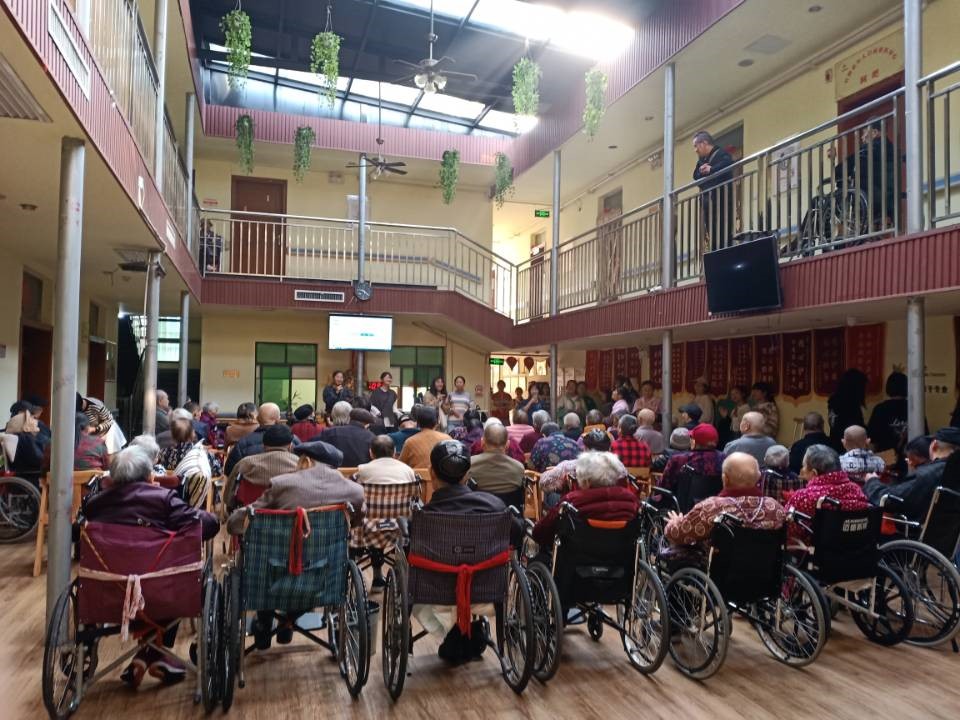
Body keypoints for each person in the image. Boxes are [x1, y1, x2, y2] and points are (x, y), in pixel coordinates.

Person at [84, 446, 218, 687]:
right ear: (149, 475)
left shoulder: (94, 505)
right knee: (174, 574)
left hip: (108, 592)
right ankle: (154, 653)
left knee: (149, 574)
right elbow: (206, 526)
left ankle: (150, 653)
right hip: (162, 593)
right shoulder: (164, 500)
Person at [227, 440, 363, 650]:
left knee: (264, 556)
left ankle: (265, 622)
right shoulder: (354, 491)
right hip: (326, 577)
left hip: (274, 574)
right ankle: (289, 620)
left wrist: (233, 522)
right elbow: (357, 520)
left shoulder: (282, 484)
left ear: (306, 461)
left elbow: (250, 515)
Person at [413, 440, 516, 660]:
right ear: (467, 474)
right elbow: (517, 535)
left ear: (431, 472)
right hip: (488, 592)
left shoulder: (423, 517)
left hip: (432, 595)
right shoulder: (495, 507)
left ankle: (452, 635)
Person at [664, 453, 785, 549]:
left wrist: (675, 522)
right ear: (758, 478)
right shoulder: (775, 508)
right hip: (765, 570)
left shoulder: (711, 508)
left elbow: (677, 535)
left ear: (725, 479)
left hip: (718, 569)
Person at [533, 451, 640, 548]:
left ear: (586, 481)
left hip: (578, 556)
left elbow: (540, 532)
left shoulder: (572, 501)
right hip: (621, 555)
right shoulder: (632, 500)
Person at [864, 427, 960, 521]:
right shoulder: (950, 471)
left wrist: (872, 482)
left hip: (917, 529)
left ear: (934, 445)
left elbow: (890, 500)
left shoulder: (928, 475)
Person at [785, 444, 869, 545]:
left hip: (813, 550)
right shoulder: (857, 490)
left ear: (814, 473)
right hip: (855, 549)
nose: (802, 469)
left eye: (804, 466)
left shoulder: (804, 497)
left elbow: (790, 532)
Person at [223, 424, 301, 510]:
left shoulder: (245, 464)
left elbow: (228, 498)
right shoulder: (300, 464)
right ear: (290, 446)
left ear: (264, 446)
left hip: (250, 515)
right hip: (290, 516)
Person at [539, 429, 612, 505]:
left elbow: (543, 482)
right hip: (611, 508)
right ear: (609, 450)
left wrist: (561, 484)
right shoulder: (617, 470)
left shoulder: (570, 466)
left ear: (586, 449)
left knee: (553, 495)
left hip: (580, 508)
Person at [224, 403, 299, 476]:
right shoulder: (292, 440)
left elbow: (229, 471)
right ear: (278, 420)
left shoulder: (243, 443)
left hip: (252, 483)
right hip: (287, 483)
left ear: (258, 419)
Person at [692, 130, 735, 250]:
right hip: (708, 204)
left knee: (724, 232)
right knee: (712, 233)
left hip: (722, 201)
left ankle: (725, 254)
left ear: (704, 143)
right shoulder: (701, 161)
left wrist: (711, 169)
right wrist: (703, 171)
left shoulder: (721, 154)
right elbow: (695, 176)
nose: (695, 150)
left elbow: (728, 164)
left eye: (696, 146)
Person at [660, 423, 724, 495]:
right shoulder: (724, 459)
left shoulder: (678, 459)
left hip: (681, 501)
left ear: (694, 442)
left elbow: (663, 485)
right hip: (717, 501)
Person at [469, 423, 525, 500]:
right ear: (507, 445)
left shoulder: (469, 465)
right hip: (508, 507)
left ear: (482, 443)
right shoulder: (519, 468)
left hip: (478, 507)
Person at [157, 415, 223, 477]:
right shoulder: (202, 455)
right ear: (192, 434)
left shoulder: (163, 453)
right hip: (194, 485)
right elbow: (218, 471)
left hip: (170, 485)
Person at [867, 371, 910, 454]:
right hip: (910, 459)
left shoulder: (880, 409)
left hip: (884, 458)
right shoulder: (914, 410)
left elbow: (872, 440)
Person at [321, 402, 375, 468]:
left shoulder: (327, 433)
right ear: (350, 416)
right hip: (360, 473)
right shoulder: (370, 436)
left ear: (333, 416)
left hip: (331, 473)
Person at [398, 406, 452, 471]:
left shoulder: (410, 442)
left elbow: (401, 464)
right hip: (440, 476)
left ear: (418, 423)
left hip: (418, 476)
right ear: (437, 422)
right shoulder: (447, 439)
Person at [828, 368, 867, 451]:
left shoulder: (834, 402)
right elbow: (857, 429)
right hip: (849, 448)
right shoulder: (851, 406)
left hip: (834, 446)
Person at [4, 405, 45, 482]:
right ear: (25, 425)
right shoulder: (25, 439)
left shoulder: (21, 438)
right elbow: (38, 460)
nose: (35, 421)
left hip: (24, 476)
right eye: (32, 419)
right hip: (31, 478)